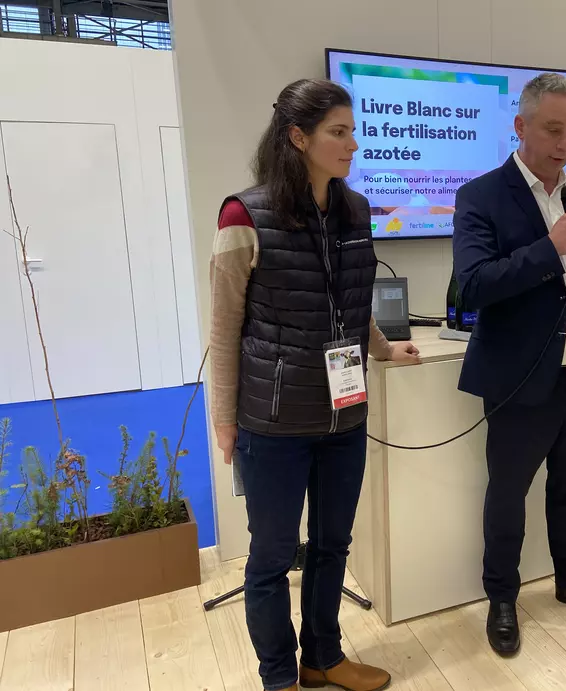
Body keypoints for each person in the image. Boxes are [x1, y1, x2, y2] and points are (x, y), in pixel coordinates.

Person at [210, 78, 420, 691]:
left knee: (332, 544)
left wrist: (382, 349)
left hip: (344, 416)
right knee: (273, 558)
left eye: (353, 130)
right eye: (338, 131)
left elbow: (351, 304)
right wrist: (225, 420)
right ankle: (280, 678)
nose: (353, 143)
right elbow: (224, 330)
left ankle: (322, 658)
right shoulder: (242, 215)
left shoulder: (355, 210)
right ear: (297, 137)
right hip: (272, 422)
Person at [453, 73, 566, 656]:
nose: (564, 141)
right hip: (519, 378)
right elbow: (472, 286)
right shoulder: (480, 196)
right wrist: (547, 248)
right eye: (553, 128)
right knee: (508, 492)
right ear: (521, 125)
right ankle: (501, 596)